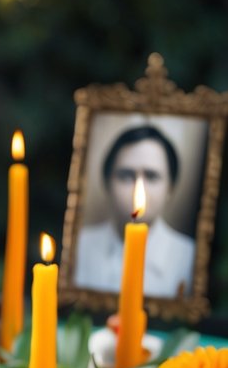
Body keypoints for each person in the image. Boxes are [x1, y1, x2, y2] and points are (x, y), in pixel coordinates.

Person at [74, 124, 197, 298]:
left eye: (152, 176)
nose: (138, 189)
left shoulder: (190, 259)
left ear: (170, 188)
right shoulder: (78, 247)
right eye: (126, 175)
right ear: (107, 183)